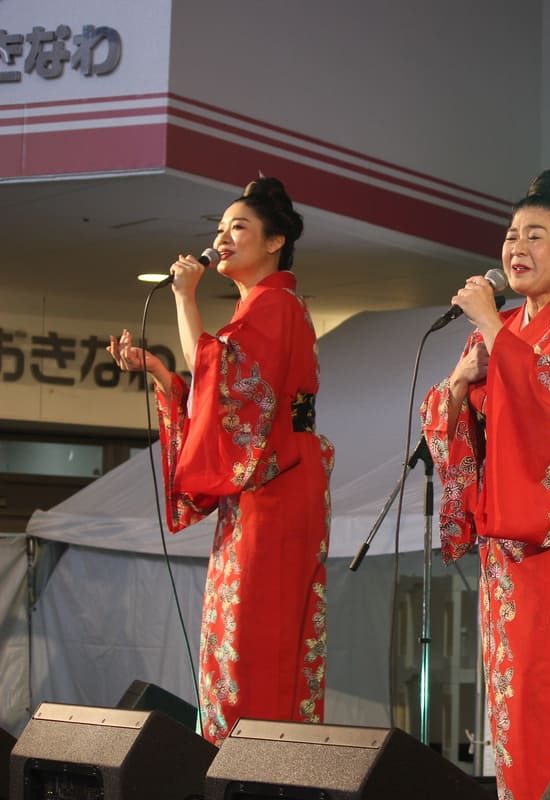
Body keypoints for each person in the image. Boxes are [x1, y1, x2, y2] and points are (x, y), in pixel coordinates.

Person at [420, 168, 550, 800]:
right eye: (512, 234)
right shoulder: (506, 327)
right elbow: (452, 424)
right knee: (512, 691)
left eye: (536, 235)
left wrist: (493, 330)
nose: (517, 247)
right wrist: (461, 382)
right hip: (510, 530)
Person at [107, 177, 334, 746]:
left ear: (275, 242)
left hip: (277, 483)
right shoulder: (260, 306)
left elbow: (222, 378)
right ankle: (245, 756)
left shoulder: (275, 304)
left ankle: (254, 758)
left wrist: (184, 298)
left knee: (254, 632)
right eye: (220, 228)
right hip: (266, 480)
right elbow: (220, 386)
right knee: (241, 628)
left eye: (239, 227)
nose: (222, 239)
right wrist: (161, 372)